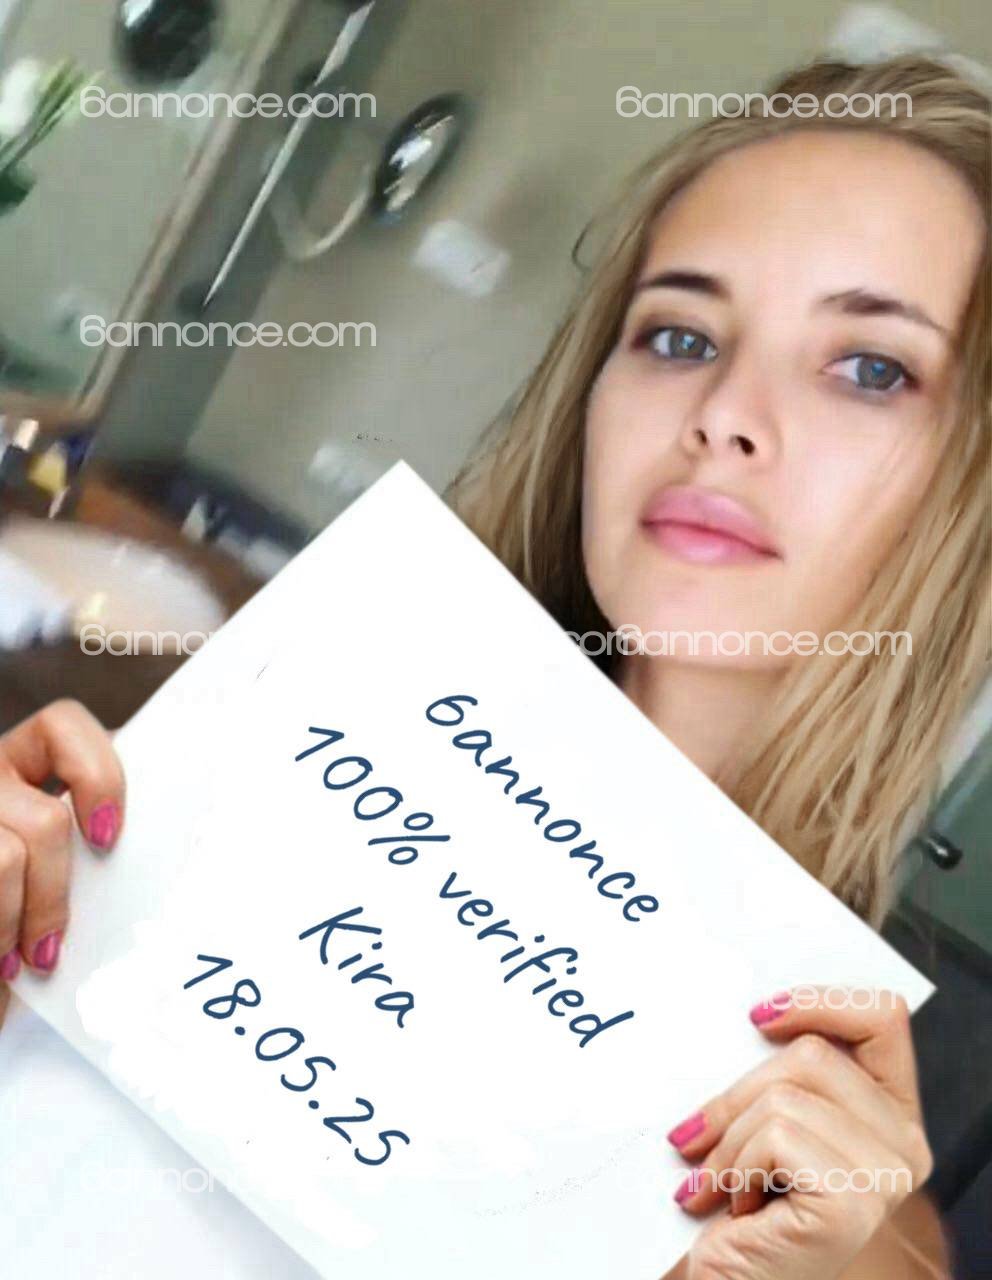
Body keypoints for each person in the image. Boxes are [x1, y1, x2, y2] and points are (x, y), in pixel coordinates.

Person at [0, 51, 987, 1280]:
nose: (724, 413)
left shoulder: (836, 1209)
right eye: (677, 334)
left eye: (870, 367)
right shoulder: (227, 762)